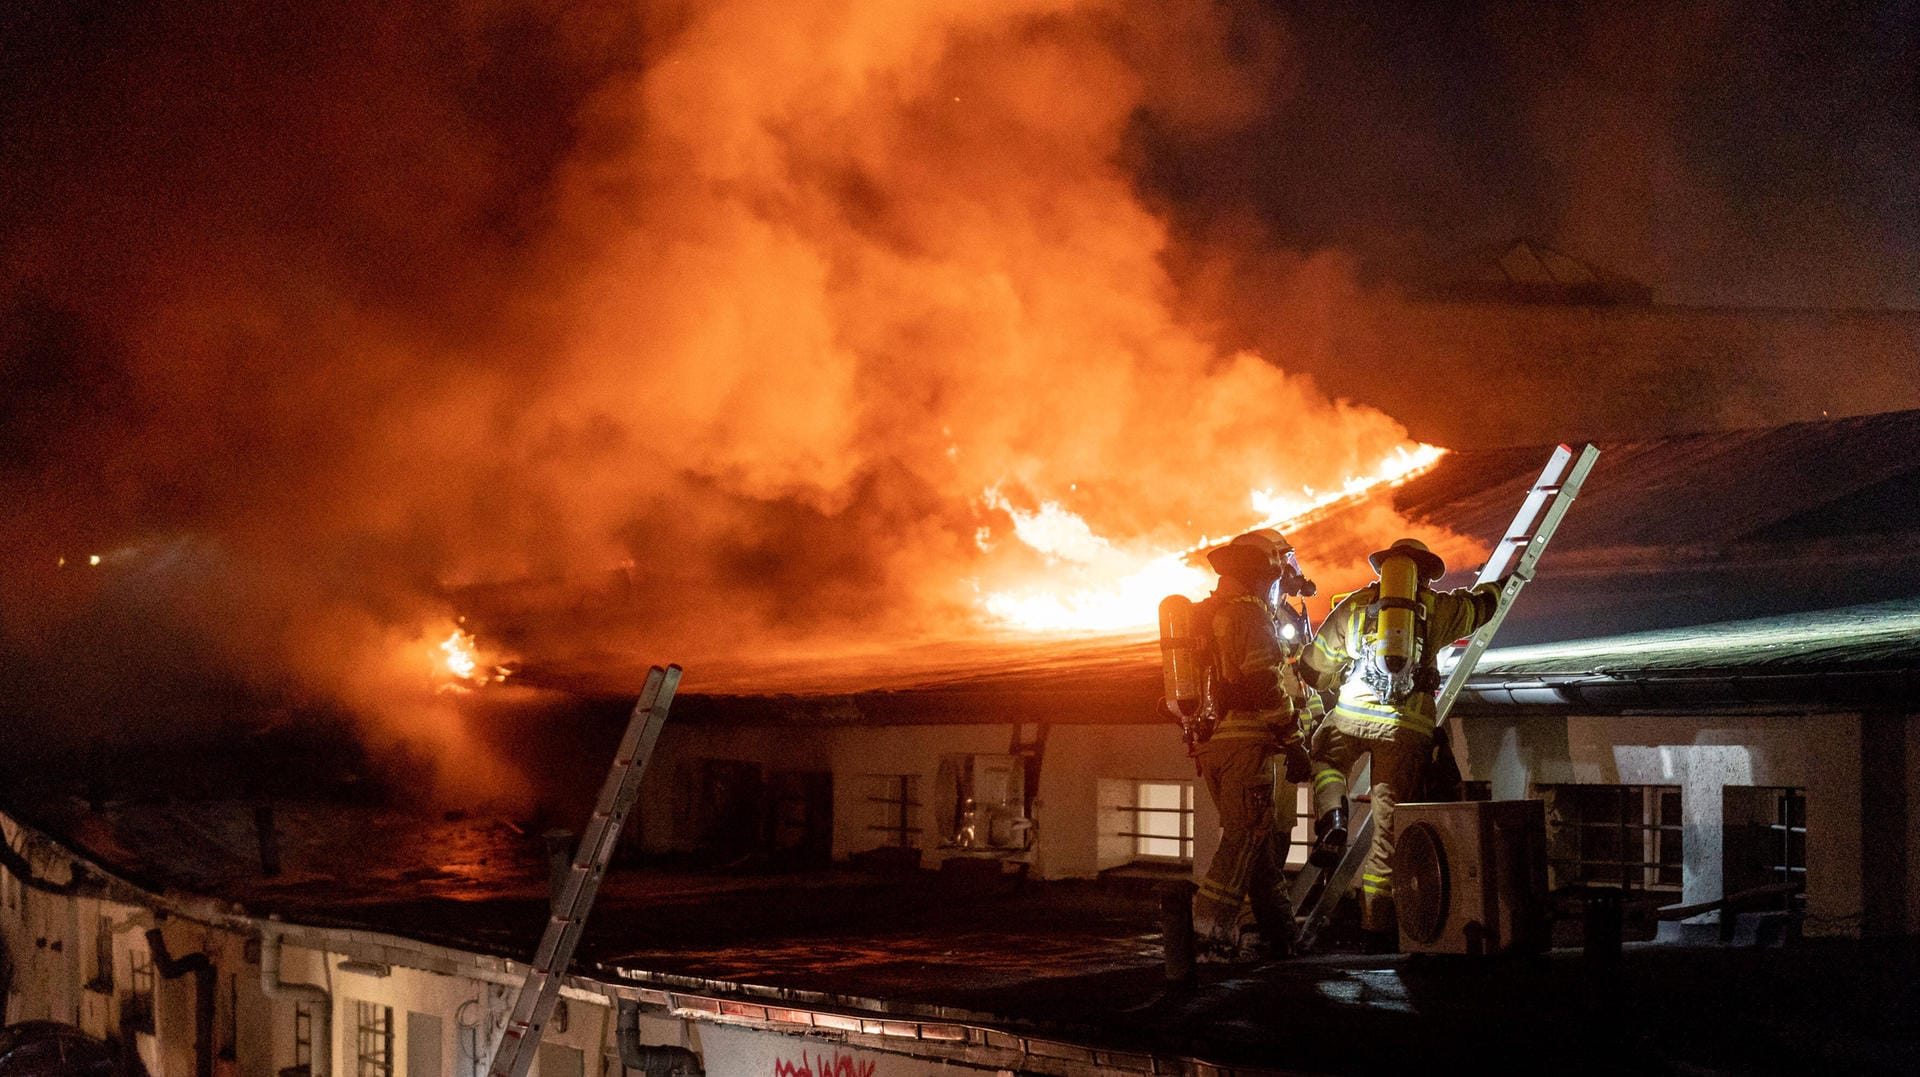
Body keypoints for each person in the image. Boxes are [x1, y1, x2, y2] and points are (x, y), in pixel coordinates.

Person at [1299, 537, 1500, 951]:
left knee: (1324, 754)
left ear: (1384, 570)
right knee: (1387, 830)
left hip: (1353, 715)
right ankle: (1376, 927)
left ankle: (1333, 819)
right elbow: (1479, 608)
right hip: (1406, 730)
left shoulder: (1355, 605)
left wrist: (1334, 686)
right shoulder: (1438, 608)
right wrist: (1500, 586)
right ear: (1424, 573)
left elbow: (1313, 664)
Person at [1189, 528, 1320, 959]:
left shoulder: (1206, 615)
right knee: (1244, 839)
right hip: (1248, 743)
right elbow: (1265, 684)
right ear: (1262, 574)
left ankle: (1280, 937)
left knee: (1259, 848)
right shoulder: (1250, 615)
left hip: (1211, 745)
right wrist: (1295, 741)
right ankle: (1207, 933)